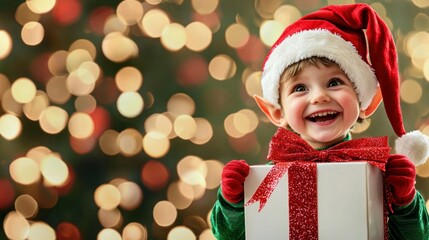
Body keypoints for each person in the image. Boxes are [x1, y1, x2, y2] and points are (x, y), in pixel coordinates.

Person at [210, 3, 429, 240]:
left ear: (367, 100)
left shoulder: (380, 177)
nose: (319, 96)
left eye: (334, 83)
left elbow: (417, 237)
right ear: (276, 113)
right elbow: (230, 236)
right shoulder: (268, 181)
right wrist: (231, 202)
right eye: (300, 88)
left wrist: (406, 200)